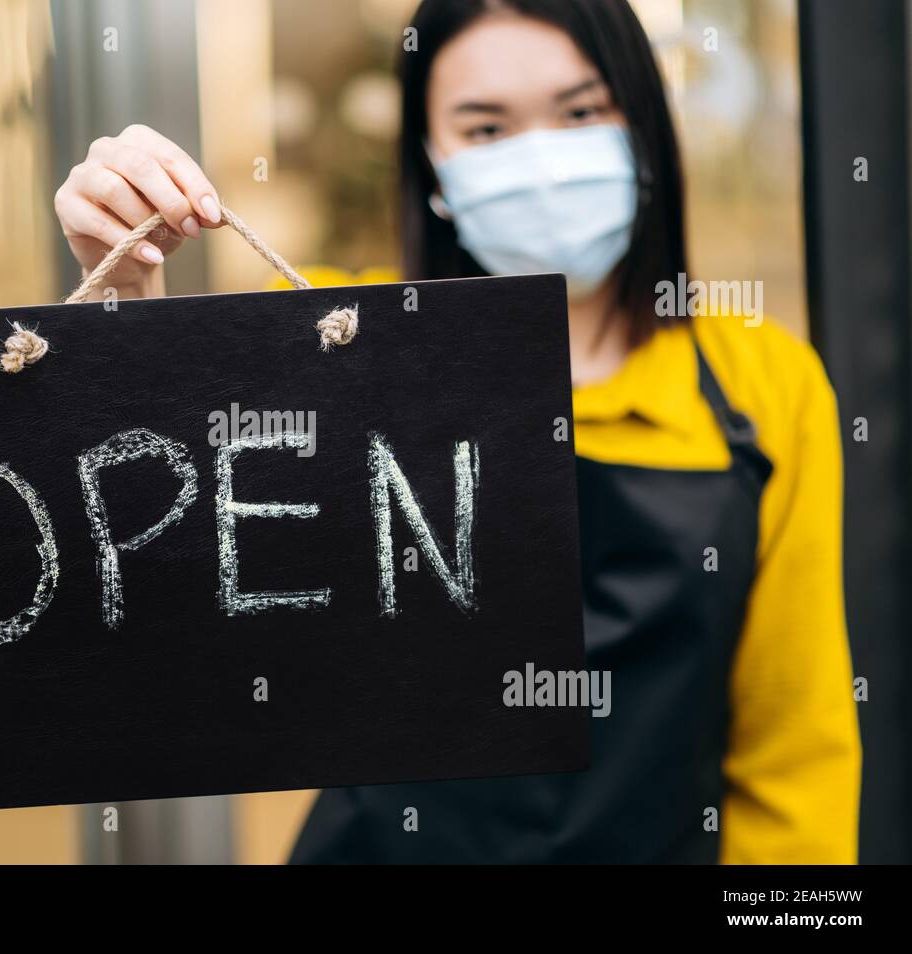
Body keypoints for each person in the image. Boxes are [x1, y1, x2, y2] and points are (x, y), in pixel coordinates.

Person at [53, 0, 861, 863]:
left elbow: (796, 758)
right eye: (486, 128)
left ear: (644, 127)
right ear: (431, 164)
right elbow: (155, 546)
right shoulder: (338, 337)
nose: (541, 157)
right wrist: (125, 294)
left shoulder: (766, 386)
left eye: (581, 112)